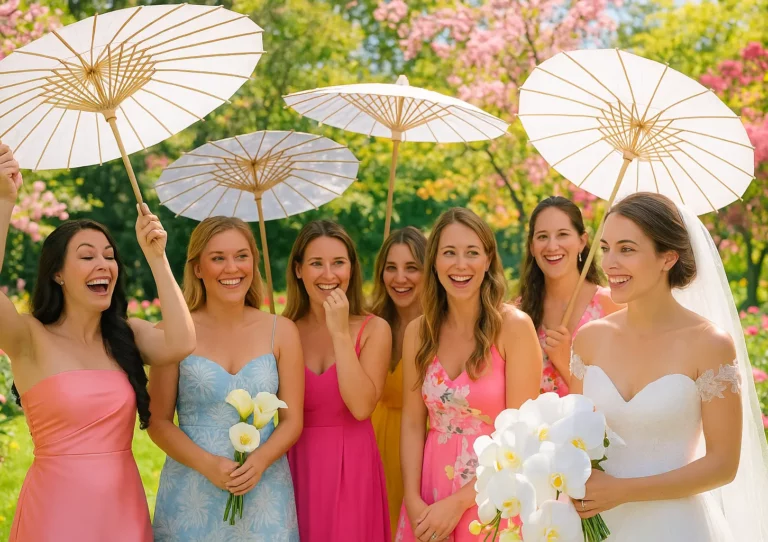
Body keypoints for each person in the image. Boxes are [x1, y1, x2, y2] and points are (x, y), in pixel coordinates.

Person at [0, 143, 196, 542]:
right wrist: (5, 202)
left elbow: (180, 343)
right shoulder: (28, 337)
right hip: (56, 513)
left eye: (109, 255)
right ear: (57, 274)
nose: (103, 264)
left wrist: (157, 257)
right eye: (86, 257)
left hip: (122, 510)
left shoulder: (125, 334)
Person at [570, 192, 768, 541]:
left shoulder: (709, 344)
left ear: (668, 258)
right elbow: (572, 438)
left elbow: (723, 465)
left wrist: (624, 490)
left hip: (676, 527)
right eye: (606, 248)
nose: (610, 262)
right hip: (597, 528)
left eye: (627, 249)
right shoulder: (589, 340)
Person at [150, 217, 303, 541]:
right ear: (198, 268)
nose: (232, 268)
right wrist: (207, 465)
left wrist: (259, 462)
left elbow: (292, 421)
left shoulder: (282, 331)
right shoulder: (172, 334)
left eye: (241, 256)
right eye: (218, 258)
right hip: (192, 488)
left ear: (254, 262)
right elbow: (158, 422)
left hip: (264, 488)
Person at [396, 208, 542, 542]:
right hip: (428, 494)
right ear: (434, 262)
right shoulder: (419, 332)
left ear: (488, 260)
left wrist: (459, 502)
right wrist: (413, 499)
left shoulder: (515, 328)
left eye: (472, 253)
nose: (460, 264)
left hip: (492, 494)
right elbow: (413, 423)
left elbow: (522, 437)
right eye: (449, 253)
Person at [285, 220, 392, 542]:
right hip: (293, 466)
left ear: (352, 269)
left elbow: (361, 407)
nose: (329, 275)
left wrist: (339, 332)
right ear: (299, 270)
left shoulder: (375, 329)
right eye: (316, 263)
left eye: (339, 263)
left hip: (353, 466)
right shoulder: (283, 329)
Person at [518, 196, 621, 396]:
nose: (552, 246)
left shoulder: (611, 307)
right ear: (532, 247)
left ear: (582, 241)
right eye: (542, 237)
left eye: (563, 234)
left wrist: (565, 362)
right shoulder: (519, 314)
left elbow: (621, 400)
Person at [370, 226, 427, 537]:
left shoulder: (439, 330)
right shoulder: (370, 323)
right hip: (371, 451)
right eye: (391, 268)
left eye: (411, 268)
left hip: (420, 451)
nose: (399, 278)